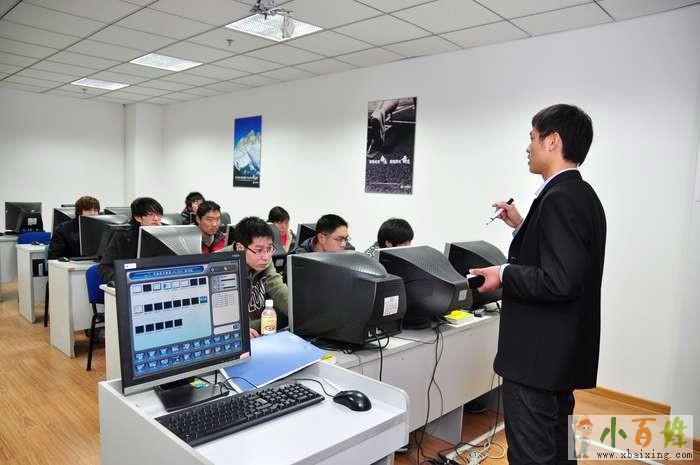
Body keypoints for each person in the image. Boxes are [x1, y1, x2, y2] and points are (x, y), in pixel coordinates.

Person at [470, 104, 606, 465]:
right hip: (559, 357)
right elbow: (564, 260)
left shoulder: (560, 198)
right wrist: (521, 225)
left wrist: (504, 273)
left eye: (532, 137)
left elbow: (559, 281)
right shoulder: (580, 194)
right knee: (559, 450)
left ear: (552, 140)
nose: (527, 147)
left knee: (532, 455)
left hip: (537, 361)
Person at [219, 217, 288, 337]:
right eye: (259, 250)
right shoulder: (219, 265)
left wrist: (298, 311)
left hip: (260, 330)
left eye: (269, 249)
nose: (265, 257)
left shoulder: (265, 260)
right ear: (240, 248)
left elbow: (278, 288)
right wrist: (238, 328)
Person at [99, 197, 163, 284]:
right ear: (138, 218)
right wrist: (121, 280)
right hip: (131, 281)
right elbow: (105, 266)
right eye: (151, 215)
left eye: (158, 215)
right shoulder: (123, 236)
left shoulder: (165, 235)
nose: (156, 218)